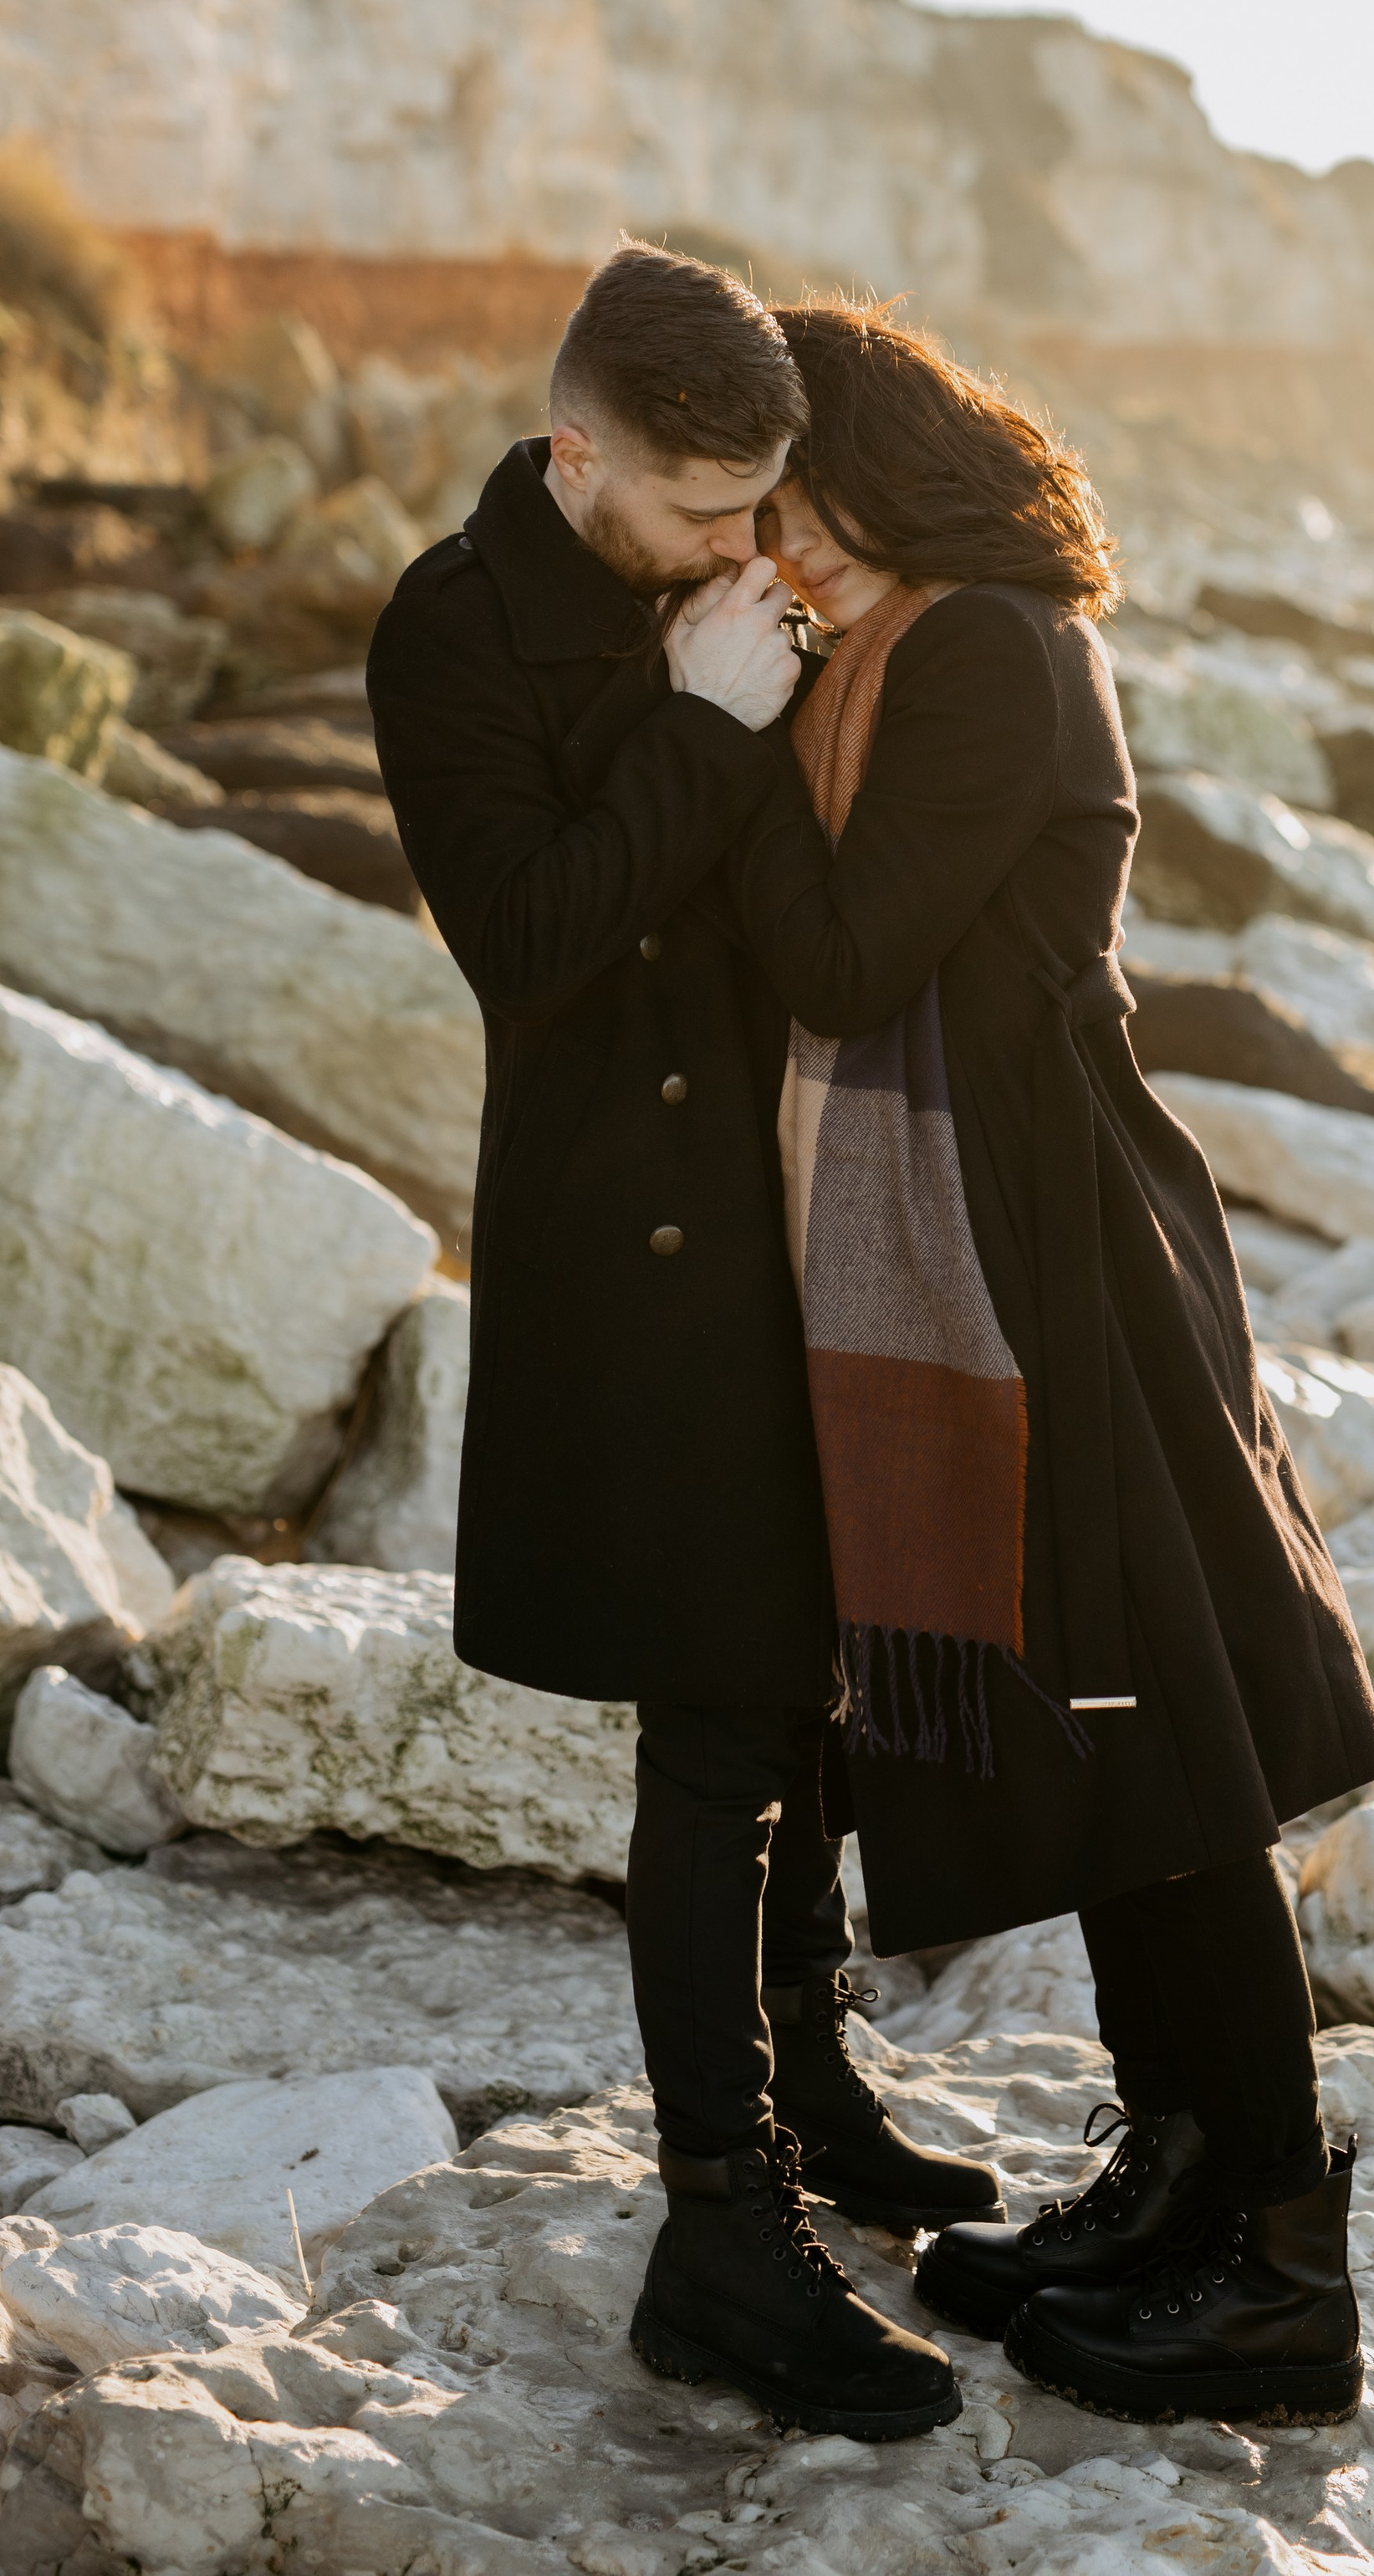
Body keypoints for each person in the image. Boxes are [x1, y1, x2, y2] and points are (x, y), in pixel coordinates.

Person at [688, 297, 1374, 2429]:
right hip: (1011, 1242)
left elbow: (836, 951)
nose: (772, 562)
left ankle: (1275, 2260)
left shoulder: (982, 651)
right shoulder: (925, 644)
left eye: (791, 515)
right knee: (1104, 1742)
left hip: (1048, 1262)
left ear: (875, 475)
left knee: (1151, 1752)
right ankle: (1172, 2177)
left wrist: (715, 737)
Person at [365, 243, 999, 2450]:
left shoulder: (736, 586)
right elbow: (532, 939)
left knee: (813, 1684)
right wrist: (700, 717)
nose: (751, 553)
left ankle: (813, 2099)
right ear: (577, 457)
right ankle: (717, 2241)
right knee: (716, 1730)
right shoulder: (451, 632)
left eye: (767, 509)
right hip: (629, 1256)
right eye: (705, 510)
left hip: (813, 1203)